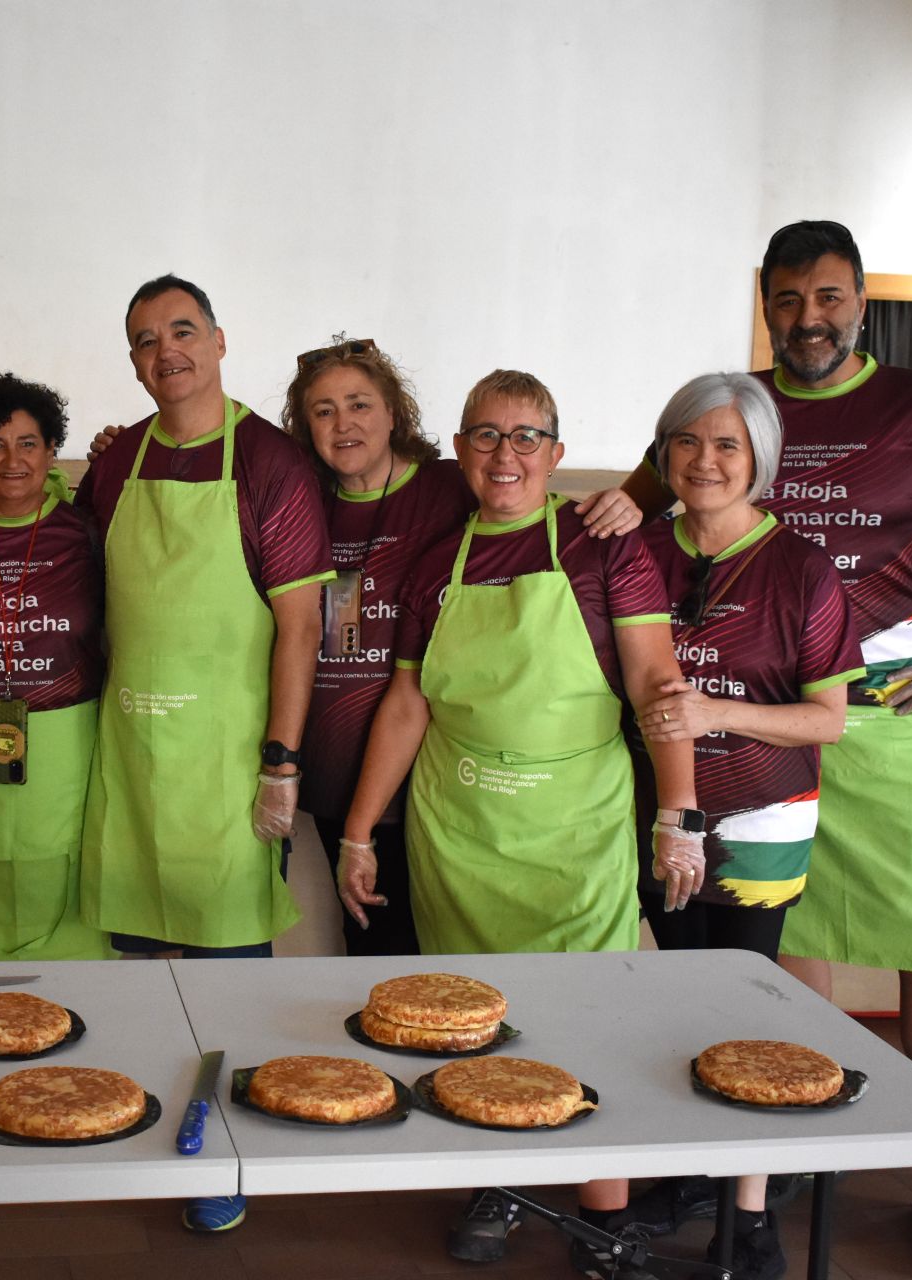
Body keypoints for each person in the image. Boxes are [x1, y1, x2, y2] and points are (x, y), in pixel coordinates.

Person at [616, 221, 912, 1276]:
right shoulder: (734, 410)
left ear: (860, 303)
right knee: (780, 948)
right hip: (752, 722)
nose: (808, 319)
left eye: (828, 298)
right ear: (766, 305)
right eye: (788, 299)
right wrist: (601, 504)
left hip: (889, 714)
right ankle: (791, 1143)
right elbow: (653, 500)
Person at [337, 369, 702, 1271]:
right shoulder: (436, 562)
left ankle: (606, 1209)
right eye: (487, 436)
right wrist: (357, 831)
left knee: (589, 1015)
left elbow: (659, 684)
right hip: (458, 830)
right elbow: (407, 703)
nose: (507, 454)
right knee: (473, 1017)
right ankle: (498, 1181)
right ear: (459, 449)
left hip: (573, 825)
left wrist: (678, 815)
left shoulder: (605, 544)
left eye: (526, 436)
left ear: (557, 452)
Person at [74, 274, 333, 1232]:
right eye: (144, 340)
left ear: (221, 341)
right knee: (141, 960)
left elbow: (299, 627)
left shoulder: (272, 464)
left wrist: (281, 760)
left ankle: (229, 1152)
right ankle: (148, 1138)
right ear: (133, 361)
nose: (165, 352)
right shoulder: (114, 465)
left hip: (229, 760)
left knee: (229, 964)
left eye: (182, 331)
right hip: (134, 753)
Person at [615, 372, 866, 1280]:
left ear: (761, 457)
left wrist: (720, 712)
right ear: (664, 453)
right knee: (676, 997)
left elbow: (829, 718)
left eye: (726, 444)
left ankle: (750, 1213)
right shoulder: (637, 549)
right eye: (687, 442)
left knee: (744, 1006)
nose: (706, 461)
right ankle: (695, 1171)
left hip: (762, 820)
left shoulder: (803, 567)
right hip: (656, 816)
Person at [279, 336, 474, 956]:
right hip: (335, 770)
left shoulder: (452, 491)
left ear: (395, 412)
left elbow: (532, 508)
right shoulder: (301, 504)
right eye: (324, 410)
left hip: (434, 774)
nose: (344, 424)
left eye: (360, 404)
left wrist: (620, 507)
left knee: (450, 949)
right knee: (370, 951)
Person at [0, 372, 112, 961]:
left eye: (28, 443)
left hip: (70, 744)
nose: (12, 460)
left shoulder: (86, 534)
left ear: (51, 451)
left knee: (67, 869)